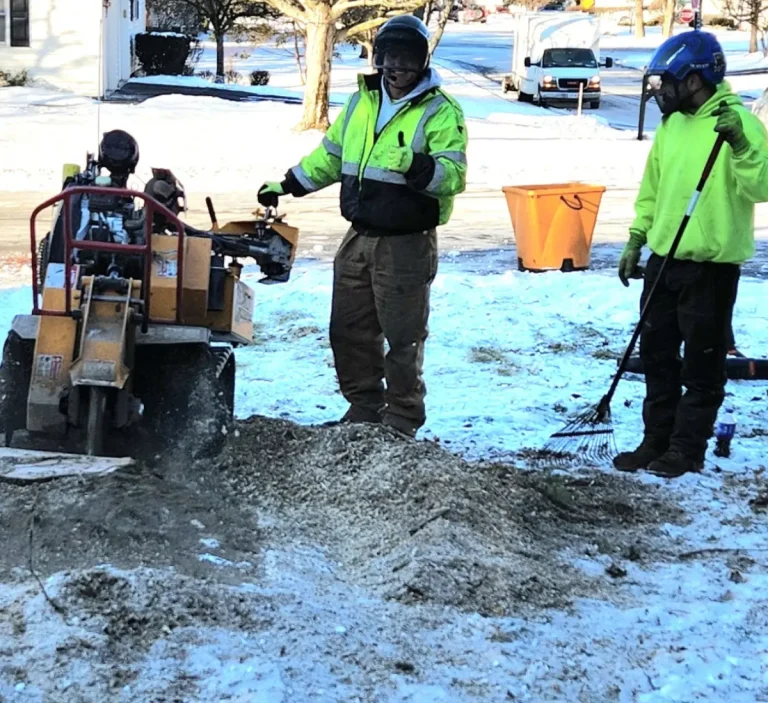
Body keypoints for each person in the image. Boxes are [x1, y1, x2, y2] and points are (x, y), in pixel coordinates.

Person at [257, 15, 468, 438]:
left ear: (422, 62)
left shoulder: (441, 111)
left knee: (402, 337)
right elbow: (332, 156)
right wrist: (290, 183)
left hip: (406, 243)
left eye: (407, 59)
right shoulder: (362, 102)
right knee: (349, 329)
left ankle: (402, 419)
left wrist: (418, 166)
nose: (397, 68)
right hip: (359, 235)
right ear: (379, 59)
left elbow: (454, 176)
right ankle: (364, 407)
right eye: (390, 58)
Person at [614, 30, 768, 478]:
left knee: (702, 365)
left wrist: (740, 146)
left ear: (696, 79)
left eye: (668, 82)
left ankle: (687, 448)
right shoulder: (672, 125)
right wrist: (636, 238)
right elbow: (653, 189)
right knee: (658, 357)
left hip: (711, 269)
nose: (661, 92)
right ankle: (656, 440)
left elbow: (761, 187)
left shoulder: (737, 122)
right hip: (665, 261)